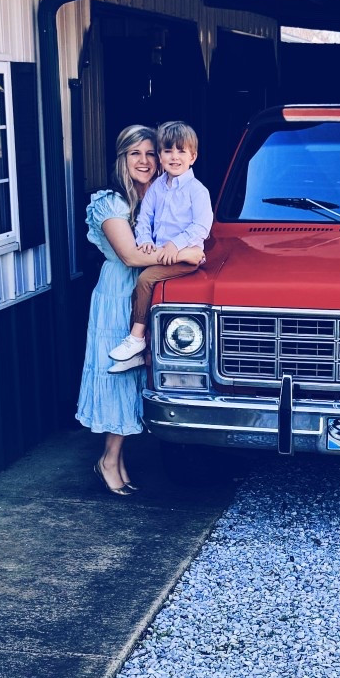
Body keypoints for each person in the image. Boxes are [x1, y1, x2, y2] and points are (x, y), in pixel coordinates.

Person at [76, 124, 169, 495]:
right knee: (120, 374)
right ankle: (108, 460)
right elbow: (130, 255)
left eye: (150, 153)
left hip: (155, 290)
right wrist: (181, 253)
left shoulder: (163, 199)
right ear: (122, 159)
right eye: (135, 154)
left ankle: (120, 458)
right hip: (120, 292)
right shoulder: (110, 203)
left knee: (142, 376)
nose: (144, 161)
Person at [108, 120, 212, 369]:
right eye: (167, 151)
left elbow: (202, 226)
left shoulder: (197, 191)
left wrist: (175, 246)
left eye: (181, 151)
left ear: (193, 157)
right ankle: (141, 351)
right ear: (161, 156)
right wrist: (144, 239)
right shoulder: (157, 187)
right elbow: (145, 217)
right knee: (147, 290)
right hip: (161, 252)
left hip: (184, 255)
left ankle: (136, 338)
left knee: (145, 280)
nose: (174, 157)